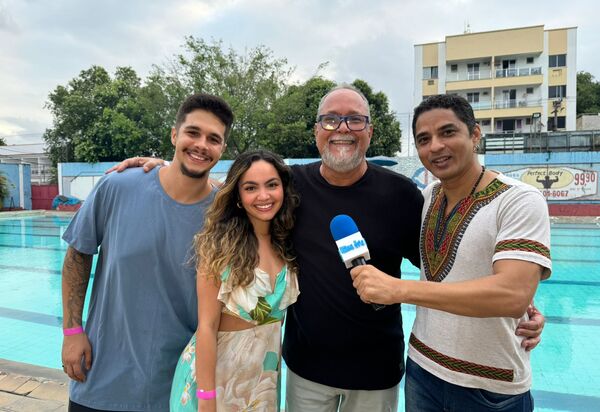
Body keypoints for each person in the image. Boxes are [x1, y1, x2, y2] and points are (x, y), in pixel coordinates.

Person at [113, 85, 546, 411]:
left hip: (379, 372)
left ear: (370, 132)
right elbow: (240, 194)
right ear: (316, 131)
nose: (343, 129)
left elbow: (444, 266)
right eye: (331, 120)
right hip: (305, 370)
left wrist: (524, 303)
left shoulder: (406, 196)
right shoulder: (291, 187)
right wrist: (164, 167)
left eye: (355, 120)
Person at [350, 94, 552, 411]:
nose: (435, 147)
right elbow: (465, 270)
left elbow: (513, 294)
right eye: (424, 139)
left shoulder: (519, 200)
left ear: (474, 134)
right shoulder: (427, 197)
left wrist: (399, 289)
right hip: (422, 371)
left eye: (448, 132)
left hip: (490, 387)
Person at [60, 93, 233, 411]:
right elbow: (78, 254)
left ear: (222, 149)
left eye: (213, 139)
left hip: (178, 387)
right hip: (101, 378)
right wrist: (72, 330)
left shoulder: (226, 211)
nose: (201, 145)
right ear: (174, 134)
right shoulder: (118, 186)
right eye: (192, 133)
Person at [169, 149, 300, 411]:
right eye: (250, 188)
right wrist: (207, 399)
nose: (263, 196)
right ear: (238, 197)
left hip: (262, 381)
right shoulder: (218, 247)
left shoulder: (287, 242)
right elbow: (206, 327)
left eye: (272, 185)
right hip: (214, 380)